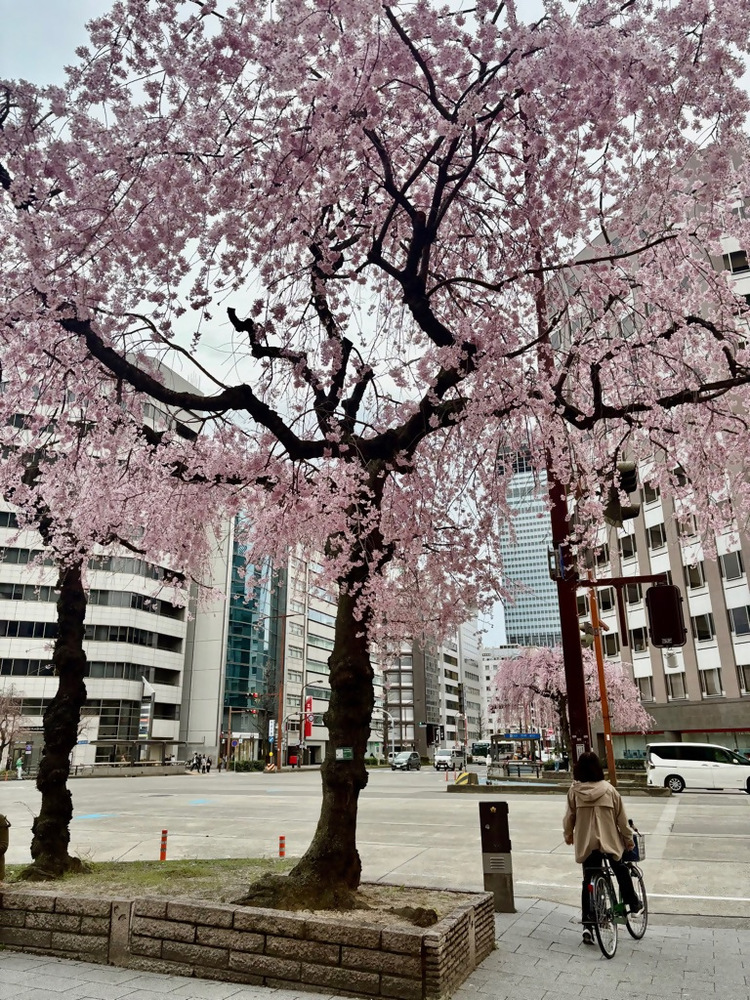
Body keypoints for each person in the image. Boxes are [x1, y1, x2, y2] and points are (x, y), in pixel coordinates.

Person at [563, 751, 642, 945]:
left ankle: (588, 925)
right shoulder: (609, 790)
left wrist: (569, 835)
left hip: (587, 844)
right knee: (620, 869)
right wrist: (628, 839)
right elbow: (622, 820)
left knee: (588, 880)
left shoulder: (574, 791)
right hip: (609, 842)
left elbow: (568, 818)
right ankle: (632, 903)